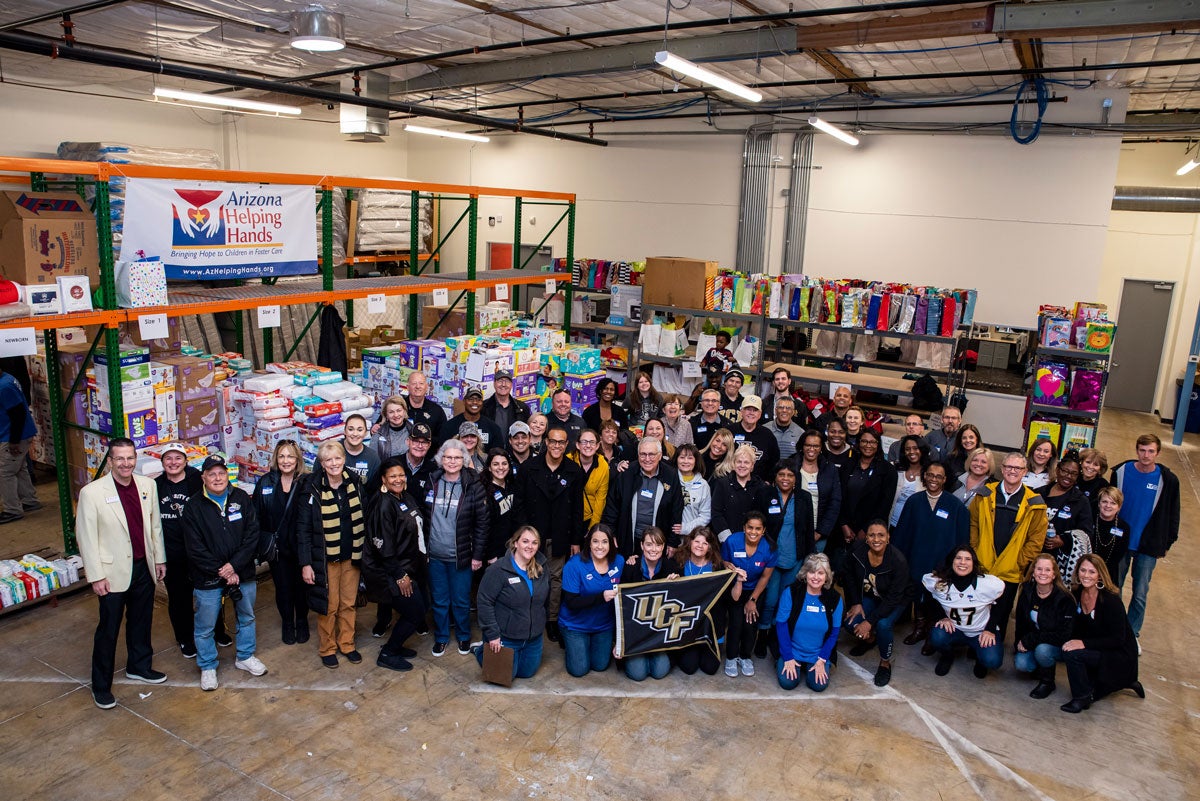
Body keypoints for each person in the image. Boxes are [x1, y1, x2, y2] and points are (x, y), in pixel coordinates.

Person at [75, 438, 167, 709]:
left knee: (141, 620)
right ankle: (101, 686)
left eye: (130, 458)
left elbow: (155, 527)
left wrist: (159, 559)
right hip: (112, 571)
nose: (126, 464)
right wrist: (96, 575)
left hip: (143, 567)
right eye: (120, 459)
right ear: (110, 461)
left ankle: (139, 666)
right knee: (108, 628)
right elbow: (86, 537)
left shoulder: (147, 485)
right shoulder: (92, 493)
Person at [182, 454, 268, 691]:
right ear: (204, 477)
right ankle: (208, 666)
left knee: (247, 616)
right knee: (205, 625)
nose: (217, 478)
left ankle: (245, 656)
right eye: (212, 474)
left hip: (242, 573)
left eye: (221, 473)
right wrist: (222, 570)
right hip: (207, 576)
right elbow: (194, 547)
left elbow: (252, 535)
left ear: (227, 475)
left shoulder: (241, 498)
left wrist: (235, 566)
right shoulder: (193, 506)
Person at [298, 440, 368, 669]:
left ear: (344, 459)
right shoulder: (311, 487)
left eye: (337, 458)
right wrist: (306, 563)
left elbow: (364, 517)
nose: (334, 463)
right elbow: (304, 529)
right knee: (328, 605)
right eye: (328, 460)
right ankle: (327, 648)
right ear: (322, 463)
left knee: (348, 603)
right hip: (325, 559)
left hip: (352, 555)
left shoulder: (355, 482)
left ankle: (346, 644)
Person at [513, 426, 585, 642]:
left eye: (561, 442)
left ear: (566, 445)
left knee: (555, 580)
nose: (556, 446)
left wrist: (576, 540)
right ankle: (528, 617)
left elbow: (577, 509)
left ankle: (551, 620)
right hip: (532, 536)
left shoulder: (574, 471)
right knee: (529, 577)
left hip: (560, 535)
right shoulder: (528, 468)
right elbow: (519, 504)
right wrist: (523, 537)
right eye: (552, 441)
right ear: (545, 442)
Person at [157, 442, 227, 657]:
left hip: (201, 550)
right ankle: (185, 638)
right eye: (168, 458)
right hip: (173, 553)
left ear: (185, 461)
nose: (173, 462)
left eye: (178, 458)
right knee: (179, 598)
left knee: (211, 592)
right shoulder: (155, 486)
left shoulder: (198, 479)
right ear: (162, 462)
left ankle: (218, 631)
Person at [969, 451, 1048, 642]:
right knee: (977, 609)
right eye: (1009, 467)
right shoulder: (985, 494)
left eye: (1018, 468)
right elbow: (973, 524)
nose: (1012, 471)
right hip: (982, 566)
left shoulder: (1034, 502)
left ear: (1025, 472)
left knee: (1001, 615)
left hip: (1010, 571)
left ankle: (990, 653)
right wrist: (975, 552)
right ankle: (973, 647)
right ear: (1002, 469)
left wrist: (1020, 562)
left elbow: (1036, 539)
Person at [1109, 433, 1180, 645]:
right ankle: (1116, 629)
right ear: (1136, 450)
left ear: (1158, 452)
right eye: (1142, 450)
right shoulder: (1121, 472)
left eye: (1150, 451)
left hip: (1148, 546)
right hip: (1121, 541)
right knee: (1115, 588)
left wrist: (1167, 542)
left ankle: (1132, 634)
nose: (1146, 455)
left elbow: (1173, 513)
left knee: (1140, 592)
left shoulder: (1167, 480)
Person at [892, 462, 970, 650]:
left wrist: (958, 563)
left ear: (944, 480)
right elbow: (902, 532)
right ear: (924, 476)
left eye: (938, 476)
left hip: (942, 563)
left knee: (936, 598)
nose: (934, 479)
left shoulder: (954, 505)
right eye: (930, 475)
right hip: (916, 558)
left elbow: (962, 539)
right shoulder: (914, 501)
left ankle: (931, 632)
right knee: (917, 593)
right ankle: (919, 628)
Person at [424, 438, 490, 656]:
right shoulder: (431, 482)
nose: (452, 461)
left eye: (457, 457)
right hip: (434, 555)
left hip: (461, 555)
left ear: (464, 460)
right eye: (448, 457)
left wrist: (477, 555)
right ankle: (442, 637)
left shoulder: (473, 486)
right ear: (440, 459)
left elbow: (482, 524)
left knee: (461, 601)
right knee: (440, 600)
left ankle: (463, 636)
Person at [362, 458, 428, 672]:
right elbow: (384, 547)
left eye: (401, 475)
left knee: (417, 609)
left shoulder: (404, 497)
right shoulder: (382, 504)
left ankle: (396, 646)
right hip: (393, 572)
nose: (398, 479)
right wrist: (400, 575)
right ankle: (388, 652)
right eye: (392, 476)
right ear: (383, 479)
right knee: (415, 613)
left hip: (409, 567)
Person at [1060, 554, 1144, 713]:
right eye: (1082, 570)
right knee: (1068, 649)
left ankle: (1082, 697)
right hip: (1098, 645)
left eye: (1092, 572)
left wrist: (1083, 644)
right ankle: (1126, 681)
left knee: (1073, 655)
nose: (1086, 575)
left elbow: (1118, 639)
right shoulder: (1077, 593)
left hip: (1118, 652)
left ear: (1100, 575)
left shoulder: (1111, 600)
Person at [251, 440, 310, 645]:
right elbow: (255, 514)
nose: (286, 461)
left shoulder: (305, 481)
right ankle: (287, 622)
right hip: (277, 549)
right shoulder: (266, 482)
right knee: (283, 588)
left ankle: (302, 621)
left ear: (297, 459)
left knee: (302, 588)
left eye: (290, 456)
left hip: (301, 547)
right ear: (276, 458)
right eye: (282, 456)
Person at [757, 460, 816, 659]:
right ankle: (762, 633)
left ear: (795, 479)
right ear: (775, 477)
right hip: (772, 558)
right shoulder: (765, 495)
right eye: (781, 474)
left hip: (795, 558)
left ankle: (777, 636)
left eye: (790, 475)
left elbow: (808, 529)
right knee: (770, 600)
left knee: (785, 602)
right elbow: (757, 524)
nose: (785, 479)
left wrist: (810, 558)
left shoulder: (804, 498)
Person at [475, 526, 551, 680]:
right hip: (505, 637)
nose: (530, 546)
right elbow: (484, 602)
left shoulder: (542, 568)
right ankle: (481, 650)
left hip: (533, 637)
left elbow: (546, 600)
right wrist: (492, 635)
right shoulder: (498, 570)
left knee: (526, 673)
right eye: (525, 541)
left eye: (534, 543)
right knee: (504, 677)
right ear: (515, 543)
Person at [843, 521, 913, 687]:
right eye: (872, 535)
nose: (876, 539)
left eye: (881, 535)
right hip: (871, 595)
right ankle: (871, 640)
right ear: (866, 538)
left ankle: (885, 663)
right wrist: (856, 603)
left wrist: (869, 622)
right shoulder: (857, 550)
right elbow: (848, 575)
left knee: (883, 624)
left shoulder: (898, 561)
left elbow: (893, 598)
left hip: (895, 600)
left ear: (888, 537)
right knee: (850, 623)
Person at [924, 545, 1005, 678]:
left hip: (980, 631)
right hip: (955, 630)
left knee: (993, 661)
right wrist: (941, 616)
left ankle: (981, 660)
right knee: (937, 636)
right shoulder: (940, 582)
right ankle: (947, 656)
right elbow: (927, 595)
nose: (962, 562)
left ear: (973, 563)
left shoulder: (986, 584)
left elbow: (1002, 603)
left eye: (967, 559)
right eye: (959, 558)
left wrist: (990, 629)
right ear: (952, 561)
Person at [559, 524, 624, 676]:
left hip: (603, 625)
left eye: (604, 541)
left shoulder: (619, 561)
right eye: (595, 541)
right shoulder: (574, 565)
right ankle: (570, 642)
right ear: (588, 542)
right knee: (579, 670)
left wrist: (634, 558)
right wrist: (601, 597)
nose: (600, 546)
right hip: (575, 624)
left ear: (611, 543)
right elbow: (571, 602)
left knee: (600, 665)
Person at [601, 437, 685, 556]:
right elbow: (612, 507)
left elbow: (676, 510)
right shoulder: (627, 473)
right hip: (628, 539)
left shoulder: (671, 475)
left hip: (658, 542)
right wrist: (611, 534)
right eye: (643, 454)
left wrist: (672, 542)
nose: (647, 459)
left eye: (651, 454)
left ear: (660, 455)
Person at [775, 552, 842, 692]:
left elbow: (834, 633)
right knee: (788, 683)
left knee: (818, 686)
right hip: (792, 650)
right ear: (805, 573)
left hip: (818, 654)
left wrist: (822, 659)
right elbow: (781, 625)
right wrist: (787, 657)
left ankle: (812, 665)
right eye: (812, 572)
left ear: (827, 576)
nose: (816, 577)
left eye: (821, 573)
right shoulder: (791, 592)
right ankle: (784, 661)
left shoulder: (835, 599)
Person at [618, 526, 679, 681]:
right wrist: (619, 642)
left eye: (658, 545)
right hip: (636, 633)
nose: (654, 549)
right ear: (641, 546)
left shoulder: (671, 567)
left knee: (659, 672)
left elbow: (680, 605)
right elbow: (620, 606)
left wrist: (676, 585)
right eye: (649, 544)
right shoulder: (630, 566)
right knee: (638, 674)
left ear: (664, 547)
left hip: (659, 633)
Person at [721, 512, 776, 677]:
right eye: (750, 527)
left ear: (764, 530)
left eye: (758, 529)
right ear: (744, 528)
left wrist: (753, 599)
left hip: (755, 591)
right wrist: (730, 569)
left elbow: (766, 577)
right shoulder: (732, 541)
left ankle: (745, 656)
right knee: (736, 623)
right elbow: (724, 561)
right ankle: (731, 657)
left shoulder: (770, 548)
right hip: (735, 588)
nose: (753, 532)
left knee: (750, 624)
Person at [1013, 554, 1075, 699]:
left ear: (1054, 574)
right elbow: (1021, 622)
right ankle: (1041, 666)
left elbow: (1064, 635)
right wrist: (1019, 642)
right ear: (1033, 572)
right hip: (1035, 640)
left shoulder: (1065, 599)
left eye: (1047, 570)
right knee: (1021, 663)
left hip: (1057, 644)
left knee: (1043, 651)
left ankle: (1047, 682)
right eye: (1039, 569)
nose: (1042, 573)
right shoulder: (1027, 590)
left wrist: (1032, 640)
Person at [834, 429, 896, 573]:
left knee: (861, 574)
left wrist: (867, 530)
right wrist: (843, 524)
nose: (868, 445)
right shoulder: (847, 465)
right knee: (839, 571)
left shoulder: (888, 470)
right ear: (858, 443)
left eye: (872, 442)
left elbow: (884, 505)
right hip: (844, 530)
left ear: (878, 445)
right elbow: (838, 496)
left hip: (870, 531)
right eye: (864, 441)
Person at [673, 527, 730, 676]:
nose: (700, 545)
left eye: (705, 543)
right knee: (689, 668)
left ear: (710, 546)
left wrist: (739, 581)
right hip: (687, 625)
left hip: (709, 626)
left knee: (710, 668)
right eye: (697, 541)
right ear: (690, 542)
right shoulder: (678, 562)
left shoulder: (717, 566)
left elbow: (728, 599)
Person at [1037, 454, 1094, 587]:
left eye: (1073, 474)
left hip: (1061, 562)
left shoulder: (1081, 501)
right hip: (1035, 556)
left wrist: (1063, 540)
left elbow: (1086, 533)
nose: (1068, 476)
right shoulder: (1038, 494)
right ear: (1057, 470)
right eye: (1065, 471)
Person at [710, 444, 772, 542]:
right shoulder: (722, 484)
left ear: (752, 466)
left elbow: (765, 516)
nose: (742, 465)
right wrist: (729, 539)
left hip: (754, 541)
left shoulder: (761, 487)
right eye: (739, 461)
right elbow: (716, 513)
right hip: (727, 541)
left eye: (746, 462)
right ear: (734, 464)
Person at [0, 362, 38, 523]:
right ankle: (29, 500)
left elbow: (18, 415)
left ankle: (12, 509)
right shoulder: (8, 378)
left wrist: (14, 441)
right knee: (19, 468)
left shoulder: (4, 387)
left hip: (14, 437)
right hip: (19, 434)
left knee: (5, 472)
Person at [795, 430, 841, 557]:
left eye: (815, 446)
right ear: (802, 446)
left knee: (812, 572)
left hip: (818, 532)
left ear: (821, 448)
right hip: (793, 531)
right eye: (808, 445)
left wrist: (820, 532)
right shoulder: (792, 465)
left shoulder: (830, 469)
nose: (811, 449)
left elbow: (835, 503)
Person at [729, 395, 780, 481]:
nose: (751, 413)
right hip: (731, 483)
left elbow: (775, 462)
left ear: (760, 414)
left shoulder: (767, 435)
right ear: (741, 411)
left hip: (759, 486)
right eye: (748, 409)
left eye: (755, 410)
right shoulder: (729, 431)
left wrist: (768, 481)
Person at [480, 449, 517, 564]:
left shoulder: (512, 486)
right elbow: (484, 526)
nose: (500, 468)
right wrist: (491, 554)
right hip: (493, 553)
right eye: (496, 464)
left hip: (512, 549)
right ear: (489, 467)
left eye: (504, 464)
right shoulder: (484, 490)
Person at [569, 428, 609, 531]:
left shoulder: (602, 465)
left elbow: (601, 498)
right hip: (568, 517)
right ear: (577, 445)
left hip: (589, 518)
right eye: (584, 442)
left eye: (592, 442)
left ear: (597, 445)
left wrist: (593, 528)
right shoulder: (568, 461)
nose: (588, 446)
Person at [889, 435, 928, 528]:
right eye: (907, 449)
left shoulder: (929, 473)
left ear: (922, 449)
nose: (911, 452)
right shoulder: (896, 470)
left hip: (914, 527)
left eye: (915, 448)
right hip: (892, 524)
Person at [1092, 486, 1129, 583]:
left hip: (1108, 574)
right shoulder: (1089, 520)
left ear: (1119, 507)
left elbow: (1118, 555)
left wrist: (1101, 573)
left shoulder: (1124, 528)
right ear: (1099, 504)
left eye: (1113, 503)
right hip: (1086, 569)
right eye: (1104, 502)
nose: (1108, 506)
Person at [674, 444, 711, 539]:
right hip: (669, 535)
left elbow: (705, 516)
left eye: (690, 458)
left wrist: (686, 528)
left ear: (696, 461)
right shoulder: (669, 480)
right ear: (676, 459)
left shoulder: (703, 485)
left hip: (693, 537)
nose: (685, 461)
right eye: (682, 457)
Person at [482, 369, 531, 436]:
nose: (503, 384)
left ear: (511, 384)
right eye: (500, 381)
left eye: (507, 381)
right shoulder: (483, 407)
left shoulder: (522, 408)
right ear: (494, 383)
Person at [404, 371, 447, 442]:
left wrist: (425, 440)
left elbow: (443, 439)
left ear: (426, 387)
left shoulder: (436, 411)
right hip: (401, 452)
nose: (417, 386)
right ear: (408, 387)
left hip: (427, 451)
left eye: (421, 383)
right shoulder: (398, 407)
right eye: (414, 383)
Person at [400, 423, 436, 507]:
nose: (420, 446)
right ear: (408, 441)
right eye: (416, 441)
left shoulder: (434, 470)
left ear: (429, 445)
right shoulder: (393, 464)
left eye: (424, 442)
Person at [342, 413, 381, 485]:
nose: (355, 434)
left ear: (365, 433)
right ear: (344, 431)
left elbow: (375, 489)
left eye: (360, 430)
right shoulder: (332, 451)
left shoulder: (372, 457)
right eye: (351, 429)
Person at [764, 395, 804, 460]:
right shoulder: (765, 430)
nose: (784, 410)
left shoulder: (800, 433)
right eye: (781, 407)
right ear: (775, 410)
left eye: (788, 408)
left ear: (793, 412)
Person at [689, 388, 728, 452]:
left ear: (719, 404)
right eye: (706, 400)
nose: (710, 403)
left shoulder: (727, 424)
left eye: (714, 401)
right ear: (701, 403)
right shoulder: (691, 423)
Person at [374, 395, 410, 461]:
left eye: (399, 410)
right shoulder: (378, 434)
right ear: (386, 415)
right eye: (391, 412)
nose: (396, 415)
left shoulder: (413, 431)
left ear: (404, 411)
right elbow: (374, 462)